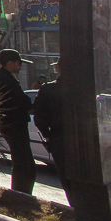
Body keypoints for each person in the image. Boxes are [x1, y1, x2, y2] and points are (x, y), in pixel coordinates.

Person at [0, 49, 36, 195]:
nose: (20, 67)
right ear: (10, 63)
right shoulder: (4, 80)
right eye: (19, 63)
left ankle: (21, 192)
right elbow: (22, 101)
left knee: (24, 161)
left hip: (12, 122)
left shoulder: (4, 78)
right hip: (13, 123)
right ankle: (20, 193)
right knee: (24, 162)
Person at [32, 61, 69, 200]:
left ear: (58, 69)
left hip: (59, 138)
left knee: (66, 178)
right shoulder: (84, 88)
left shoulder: (48, 90)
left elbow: (39, 118)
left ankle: (75, 209)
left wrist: (48, 136)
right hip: (84, 140)